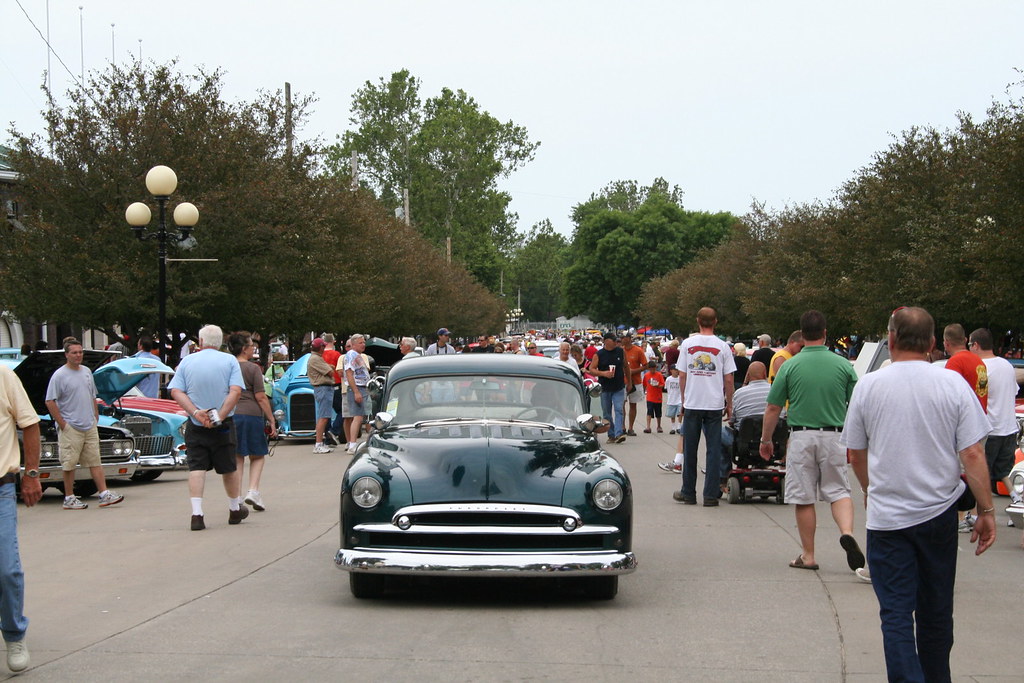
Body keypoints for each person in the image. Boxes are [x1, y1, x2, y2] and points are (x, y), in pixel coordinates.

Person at [843, 306, 995, 682]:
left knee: (895, 613)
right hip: (938, 513)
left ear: (891, 339)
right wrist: (986, 510)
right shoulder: (951, 384)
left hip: (888, 518)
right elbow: (972, 452)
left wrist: (869, 489)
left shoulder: (869, 386)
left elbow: (856, 454)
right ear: (932, 342)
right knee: (936, 611)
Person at [759, 311, 863, 575]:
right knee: (839, 491)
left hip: (802, 435)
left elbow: (773, 407)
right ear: (825, 333)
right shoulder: (843, 365)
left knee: (804, 497)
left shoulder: (790, 365)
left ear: (802, 334)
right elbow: (857, 405)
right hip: (835, 435)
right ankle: (847, 532)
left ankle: (809, 555)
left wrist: (766, 439)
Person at [168, 324, 248, 531]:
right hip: (223, 423)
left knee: (196, 468)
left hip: (197, 423)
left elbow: (176, 391)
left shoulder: (187, 361)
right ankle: (234, 508)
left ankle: (197, 513)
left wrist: (195, 412)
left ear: (201, 341)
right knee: (228, 467)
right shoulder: (229, 361)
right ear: (220, 342)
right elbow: (235, 391)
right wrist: (220, 415)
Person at [44, 337, 125, 510]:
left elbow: (92, 394)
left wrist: (95, 414)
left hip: (89, 425)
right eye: (74, 353)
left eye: (80, 352)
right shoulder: (59, 376)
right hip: (71, 426)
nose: (78, 355)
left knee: (95, 460)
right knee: (69, 463)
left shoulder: (87, 372)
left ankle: (104, 493)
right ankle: (69, 497)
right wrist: (62, 423)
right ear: (66, 355)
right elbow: (50, 401)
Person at [0, 364, 41, 673]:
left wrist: (31, 474)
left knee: (7, 569)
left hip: (1, 485)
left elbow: (30, 424)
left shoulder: (3, 375)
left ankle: (14, 634)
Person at [673, 307, 736, 506]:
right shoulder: (723, 347)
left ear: (698, 321)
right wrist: (729, 403)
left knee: (690, 449)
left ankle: (688, 492)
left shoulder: (687, 344)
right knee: (714, 450)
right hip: (714, 404)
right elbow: (729, 379)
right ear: (715, 321)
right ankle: (710, 494)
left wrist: (683, 400)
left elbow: (682, 375)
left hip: (693, 402)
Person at [941, 323, 989, 533]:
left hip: (961, 424)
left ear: (946, 343)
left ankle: (960, 517)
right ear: (965, 340)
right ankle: (974, 514)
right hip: (980, 420)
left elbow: (947, 395)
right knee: (976, 469)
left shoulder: (955, 362)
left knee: (959, 472)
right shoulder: (978, 361)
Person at [970, 328, 1020, 506]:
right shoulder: (1006, 365)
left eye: (970, 344)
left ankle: (977, 512)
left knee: (980, 475)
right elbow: (1014, 391)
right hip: (1009, 429)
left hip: (990, 430)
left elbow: (977, 398)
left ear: (976, 345)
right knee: (1003, 471)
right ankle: (1016, 498)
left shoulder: (981, 368)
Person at [228, 331, 277, 511]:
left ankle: (237, 496)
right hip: (252, 414)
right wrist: (271, 419)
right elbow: (261, 397)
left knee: (238, 456)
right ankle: (253, 490)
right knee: (257, 455)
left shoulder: (228, 367)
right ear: (244, 349)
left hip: (232, 413)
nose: (253, 349)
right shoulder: (253, 368)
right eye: (251, 346)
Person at [716, 361, 771, 482]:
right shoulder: (775, 390)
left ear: (748, 375)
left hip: (745, 442)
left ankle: (723, 475)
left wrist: (745, 383)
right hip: (771, 440)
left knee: (719, 433)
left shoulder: (740, 393)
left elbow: (732, 421)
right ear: (765, 373)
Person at [587, 332, 626, 444]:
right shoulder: (599, 354)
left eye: (616, 340)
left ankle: (619, 433)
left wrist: (629, 382)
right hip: (605, 388)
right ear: (606, 341)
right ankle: (611, 434)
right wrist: (604, 373)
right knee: (607, 413)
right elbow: (592, 369)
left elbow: (626, 366)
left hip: (619, 386)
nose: (615, 342)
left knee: (619, 409)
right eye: (613, 340)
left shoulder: (620, 351)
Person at [307, 338, 336, 454]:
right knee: (323, 417)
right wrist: (330, 367)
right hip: (323, 388)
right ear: (320, 348)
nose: (324, 348)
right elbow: (330, 372)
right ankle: (318, 444)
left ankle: (320, 443)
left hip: (324, 388)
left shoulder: (317, 358)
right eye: (323, 346)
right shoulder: (315, 359)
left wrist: (329, 367)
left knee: (324, 416)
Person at [343, 334, 371, 452]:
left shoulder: (357, 355)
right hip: (357, 388)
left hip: (362, 388)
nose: (363, 345)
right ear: (353, 345)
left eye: (364, 342)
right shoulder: (351, 355)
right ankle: (352, 444)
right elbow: (349, 373)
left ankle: (355, 443)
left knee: (362, 416)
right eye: (360, 343)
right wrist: (356, 392)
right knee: (357, 416)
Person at [619, 334, 647, 437]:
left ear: (629, 339)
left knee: (633, 404)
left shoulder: (638, 350)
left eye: (624, 338)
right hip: (622, 381)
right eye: (621, 338)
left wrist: (633, 371)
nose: (622, 339)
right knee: (621, 404)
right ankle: (622, 426)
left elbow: (645, 365)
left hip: (636, 381)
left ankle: (631, 428)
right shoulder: (620, 351)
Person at [320, 334, 342, 446]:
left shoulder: (320, 355)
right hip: (336, 385)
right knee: (342, 411)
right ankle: (334, 431)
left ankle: (327, 437)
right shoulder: (336, 354)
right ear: (333, 342)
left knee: (326, 413)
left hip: (323, 385)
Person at [642, 360, 664, 433]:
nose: (653, 370)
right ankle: (648, 427)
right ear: (649, 369)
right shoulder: (646, 375)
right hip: (650, 397)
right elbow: (644, 384)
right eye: (651, 369)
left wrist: (658, 385)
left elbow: (662, 385)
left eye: (654, 369)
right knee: (649, 412)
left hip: (658, 397)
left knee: (658, 413)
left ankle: (659, 426)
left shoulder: (659, 375)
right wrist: (643, 392)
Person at [664, 365, 682, 436]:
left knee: (680, 413)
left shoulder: (680, 378)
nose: (676, 371)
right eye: (675, 370)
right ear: (671, 370)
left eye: (677, 370)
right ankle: (673, 427)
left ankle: (679, 426)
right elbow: (667, 388)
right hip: (671, 398)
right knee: (672, 414)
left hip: (679, 398)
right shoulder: (668, 379)